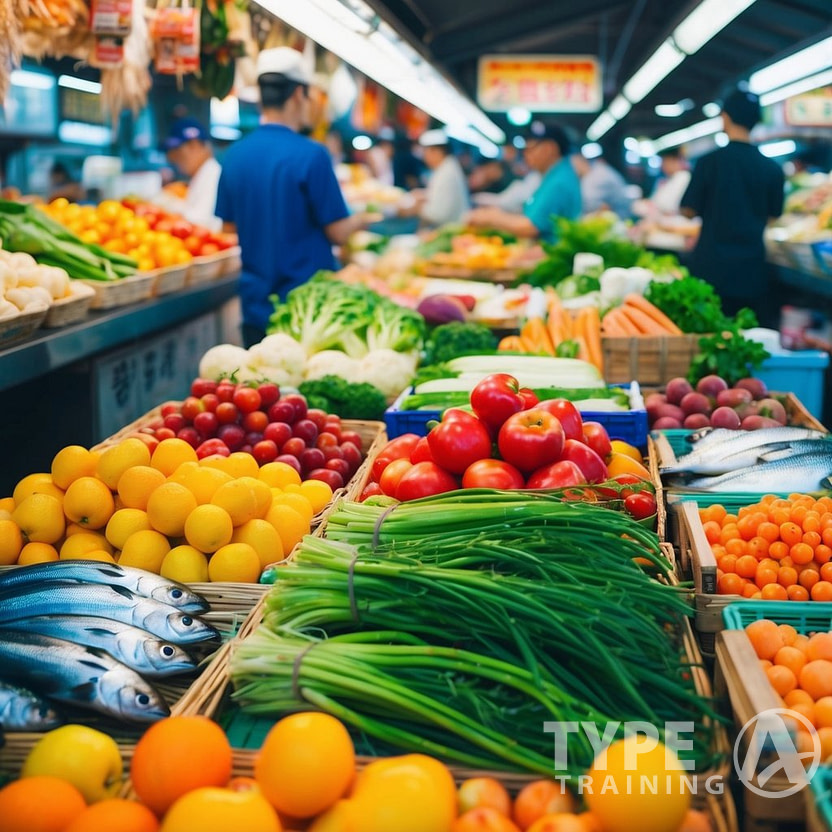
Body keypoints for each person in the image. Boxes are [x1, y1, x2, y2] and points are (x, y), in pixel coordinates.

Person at [215, 46, 378, 348]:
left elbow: (227, 232)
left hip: (256, 310)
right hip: (308, 312)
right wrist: (366, 219)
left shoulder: (233, 155)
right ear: (297, 96)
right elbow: (339, 233)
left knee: (263, 388)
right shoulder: (313, 154)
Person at [680, 88, 785, 321]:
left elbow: (688, 211)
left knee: (709, 335)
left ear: (725, 117)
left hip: (711, 269)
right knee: (743, 337)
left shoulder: (709, 162)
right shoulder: (773, 169)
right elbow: (774, 217)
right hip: (751, 272)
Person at [467, 124, 581, 241]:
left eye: (529, 149)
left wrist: (491, 218)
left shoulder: (558, 181)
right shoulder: (553, 175)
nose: (525, 155)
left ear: (549, 148)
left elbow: (531, 227)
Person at [400, 129, 469, 227]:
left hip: (449, 231)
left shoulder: (447, 174)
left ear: (436, 151)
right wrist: (425, 195)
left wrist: (416, 208)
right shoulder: (446, 167)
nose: (424, 157)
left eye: (425, 152)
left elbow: (438, 214)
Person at [163, 118, 223, 231]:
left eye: (177, 151)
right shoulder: (201, 175)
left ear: (194, 145)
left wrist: (168, 204)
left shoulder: (213, 176)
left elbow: (199, 222)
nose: (173, 158)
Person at [572, 153, 632, 219]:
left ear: (579, 163)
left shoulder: (594, 179)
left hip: (621, 219)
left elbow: (603, 208)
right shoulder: (598, 168)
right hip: (623, 215)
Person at [652, 149, 691, 216]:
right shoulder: (668, 178)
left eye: (664, 161)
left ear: (674, 161)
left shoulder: (683, 177)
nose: (662, 166)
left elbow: (670, 206)